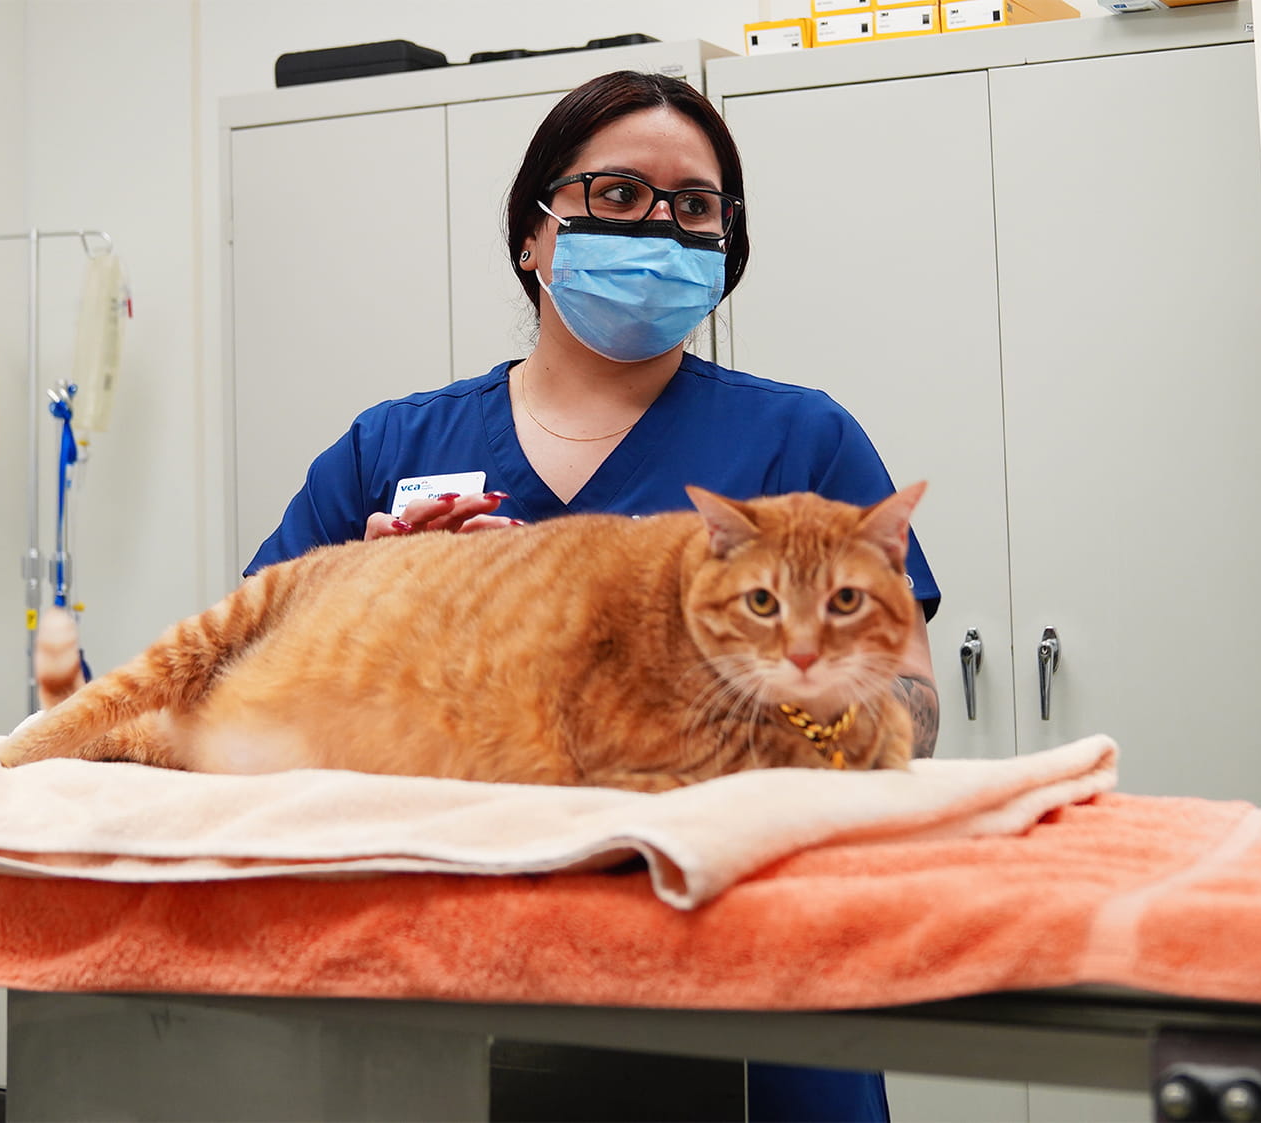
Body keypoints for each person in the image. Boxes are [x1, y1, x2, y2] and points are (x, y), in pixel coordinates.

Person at [247, 69, 940, 1123]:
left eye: (693, 206)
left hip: (755, 985)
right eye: (616, 194)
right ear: (533, 235)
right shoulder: (390, 449)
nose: (658, 225)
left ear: (724, 247)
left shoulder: (801, 444)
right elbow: (240, 702)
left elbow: (911, 719)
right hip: (449, 980)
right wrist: (372, 604)